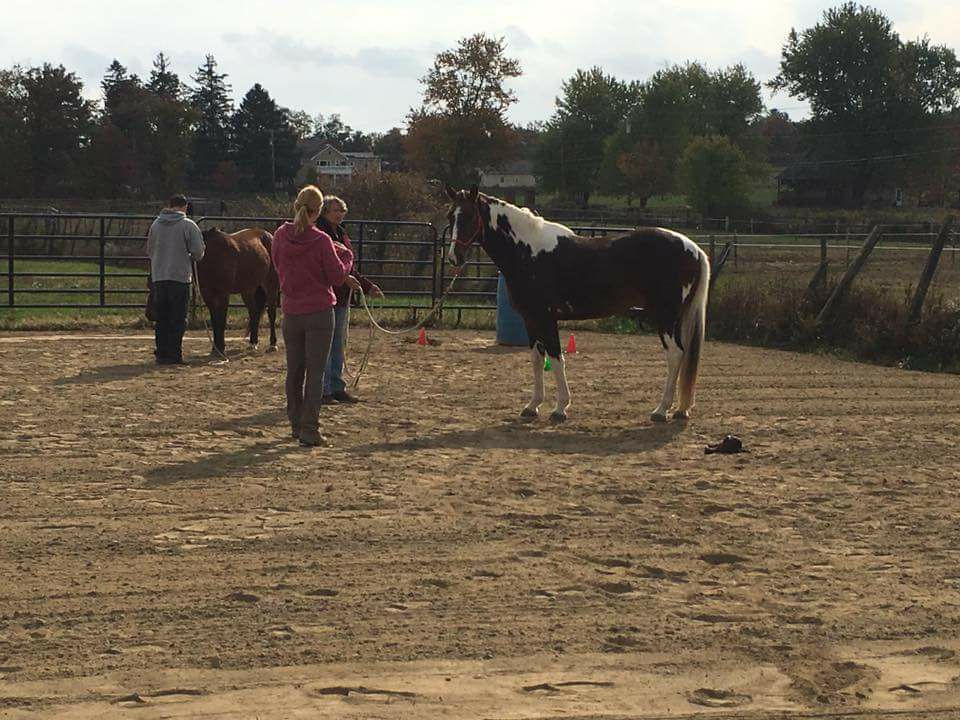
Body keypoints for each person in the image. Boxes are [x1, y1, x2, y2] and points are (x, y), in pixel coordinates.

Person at [271, 186, 355, 446]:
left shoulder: (280, 236)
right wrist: (347, 256)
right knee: (315, 373)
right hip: (318, 311)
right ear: (318, 212)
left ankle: (296, 424)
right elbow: (337, 276)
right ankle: (310, 429)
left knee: (294, 371)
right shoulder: (321, 241)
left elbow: (277, 266)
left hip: (292, 311)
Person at [315, 195, 384, 404]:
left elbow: (349, 266)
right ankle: (324, 389)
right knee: (326, 344)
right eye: (335, 210)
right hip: (327, 296)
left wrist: (367, 285)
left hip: (342, 297)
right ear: (325, 211)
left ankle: (335, 386)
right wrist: (347, 280)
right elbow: (330, 265)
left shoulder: (341, 233)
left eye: (341, 210)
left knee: (338, 343)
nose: (339, 213)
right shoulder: (320, 234)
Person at [146, 194, 205, 365]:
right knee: (178, 318)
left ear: (169, 205)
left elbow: (149, 251)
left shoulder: (156, 224)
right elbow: (198, 252)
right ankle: (174, 353)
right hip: (179, 277)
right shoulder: (188, 225)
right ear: (185, 206)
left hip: (159, 276)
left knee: (162, 317)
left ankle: (161, 352)